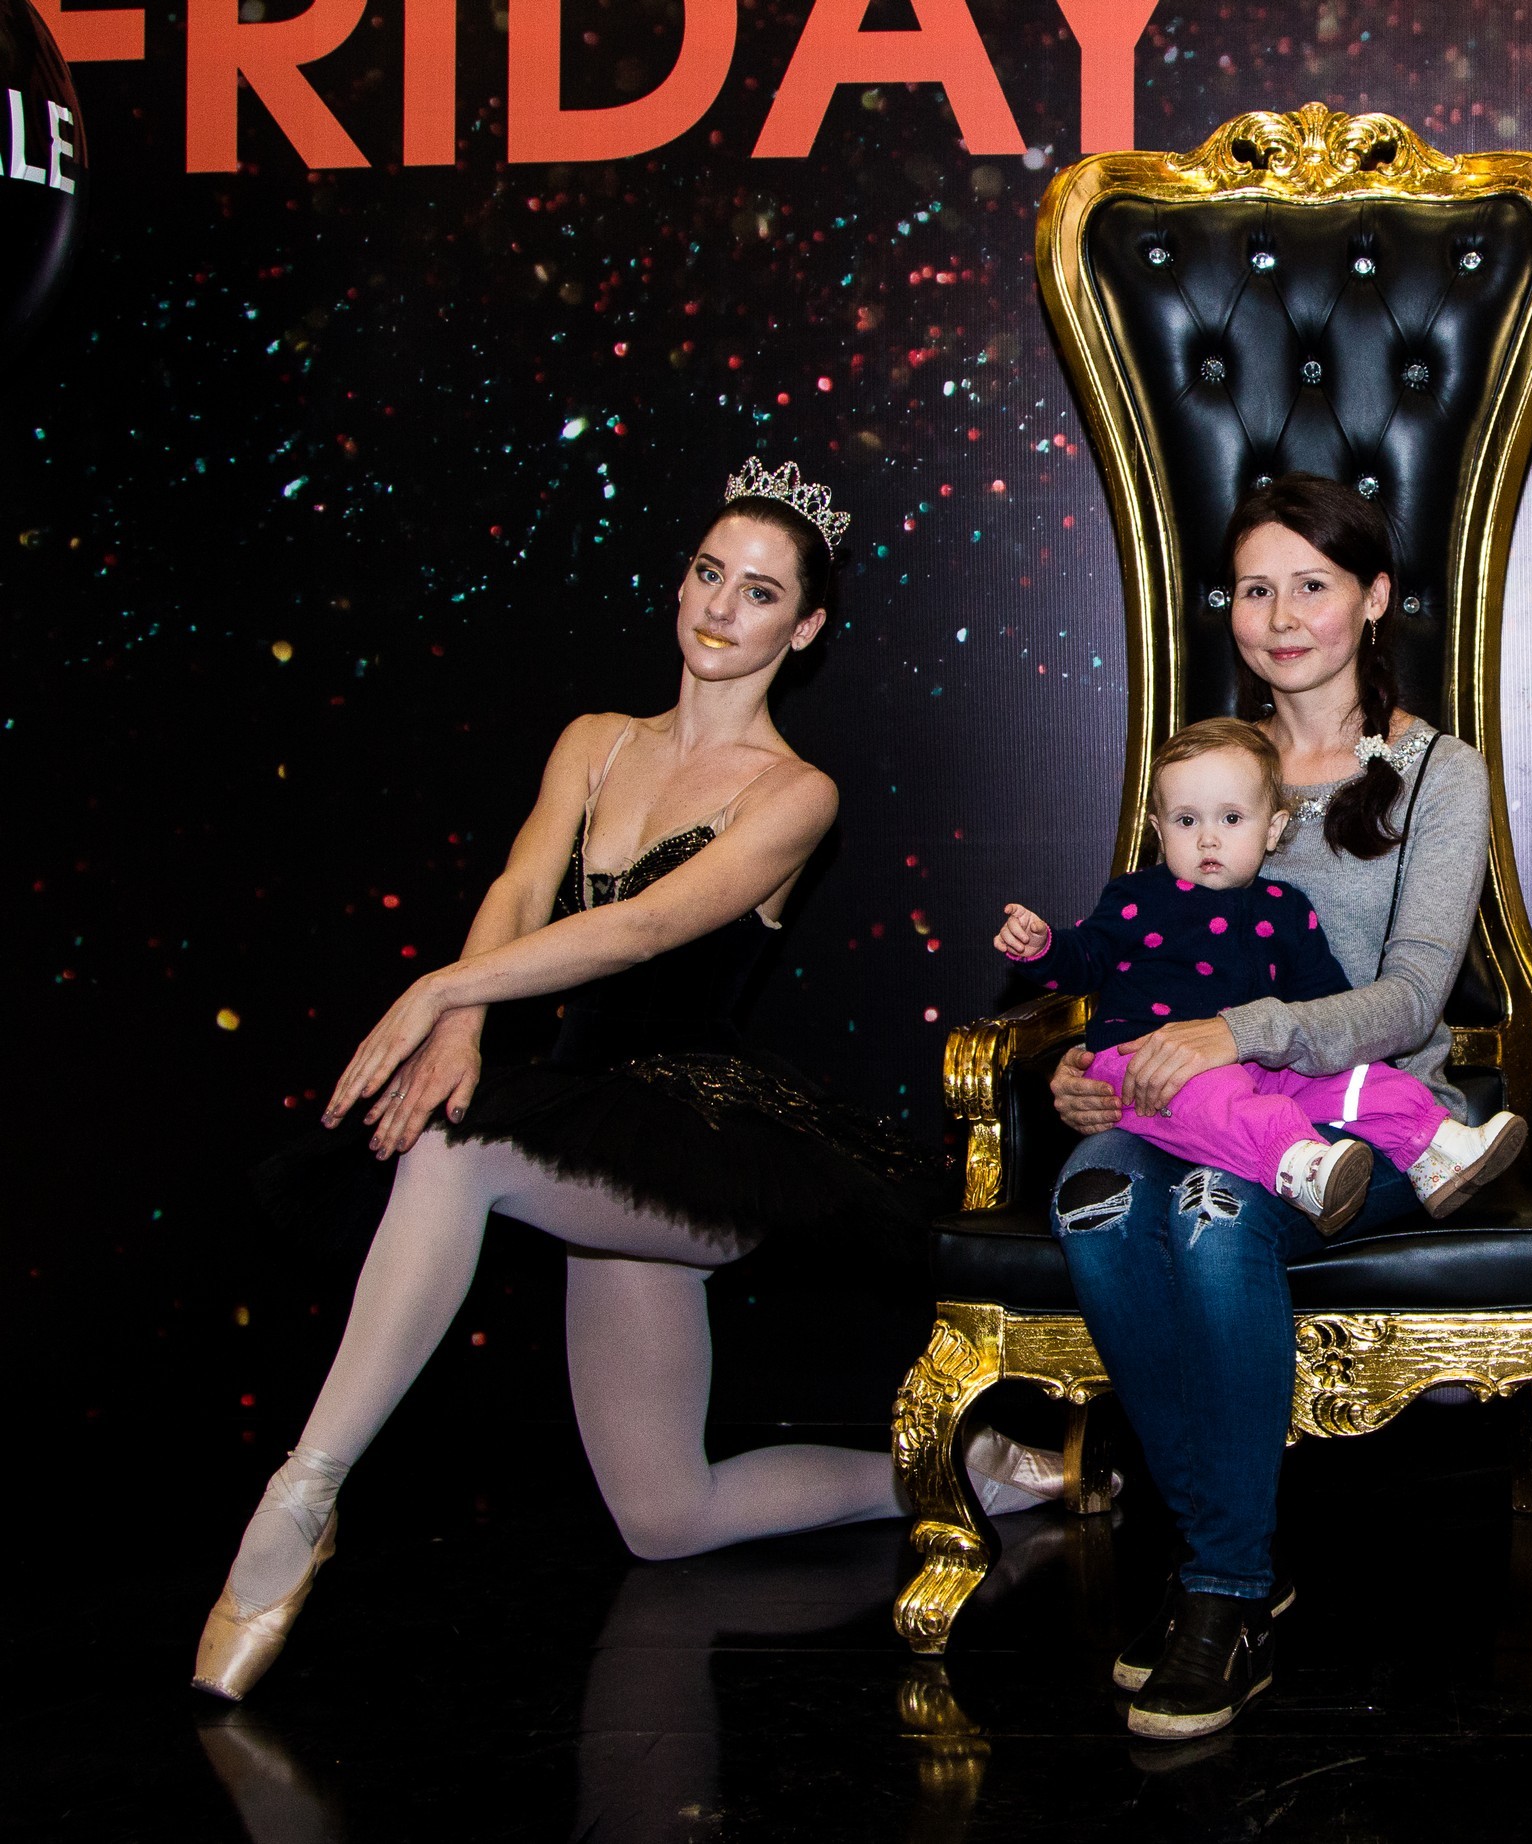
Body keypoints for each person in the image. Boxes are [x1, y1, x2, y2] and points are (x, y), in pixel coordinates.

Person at [195, 459, 1070, 1702]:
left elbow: (643, 928)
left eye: (759, 592)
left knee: (452, 1152)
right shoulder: (596, 742)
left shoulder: (796, 791)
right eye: (709, 573)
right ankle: (968, 1470)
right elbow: (519, 887)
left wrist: (438, 991)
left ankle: (302, 1496)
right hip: (581, 1113)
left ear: (804, 628)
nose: (720, 606)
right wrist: (465, 1016)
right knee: (666, 1514)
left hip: (702, 1137)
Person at [1041, 475, 1494, 1740]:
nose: (1281, 615)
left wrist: (1237, 1031)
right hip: (1190, 1095)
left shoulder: (1436, 771)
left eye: (1313, 584)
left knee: (1212, 1209)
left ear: (1375, 597)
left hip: (1358, 1105)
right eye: (1255, 588)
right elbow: (1136, 954)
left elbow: (1412, 994)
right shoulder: (1205, 761)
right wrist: (1091, 1062)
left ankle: (1224, 1590)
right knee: (1091, 1198)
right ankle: (1225, 1556)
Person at [995, 716, 1524, 1233]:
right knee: (1221, 1094)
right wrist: (1043, 947)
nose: (1207, 839)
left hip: (1255, 1059)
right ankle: (1295, 1165)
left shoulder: (1286, 909)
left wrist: (1334, 1052)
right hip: (1149, 1065)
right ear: (1158, 831)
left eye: (1230, 819)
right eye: (1186, 821)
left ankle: (1434, 1144)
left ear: (1272, 829)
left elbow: (1324, 1001)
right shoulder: (1136, 898)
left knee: (1351, 1077)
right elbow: (1085, 957)